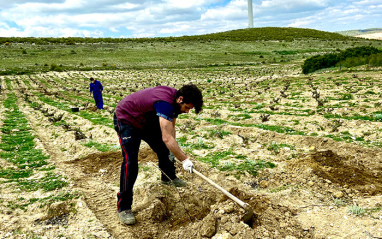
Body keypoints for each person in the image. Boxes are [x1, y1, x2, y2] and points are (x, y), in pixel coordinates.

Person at [113, 84, 203, 225]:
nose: (187, 112)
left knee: (164, 149)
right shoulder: (165, 104)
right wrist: (184, 160)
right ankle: (124, 206)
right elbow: (167, 138)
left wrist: (173, 150)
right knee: (130, 161)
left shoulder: (175, 101)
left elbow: (170, 131)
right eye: (187, 108)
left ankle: (168, 177)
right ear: (180, 99)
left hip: (146, 121)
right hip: (127, 118)